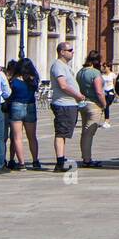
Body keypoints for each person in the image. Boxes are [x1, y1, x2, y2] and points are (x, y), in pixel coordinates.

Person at [49, 42, 86, 171]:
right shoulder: (58, 66)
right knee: (61, 133)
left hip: (69, 104)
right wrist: (78, 95)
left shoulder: (64, 66)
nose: (72, 52)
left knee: (64, 133)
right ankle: (59, 162)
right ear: (61, 52)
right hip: (63, 103)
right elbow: (63, 85)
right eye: (70, 50)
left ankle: (62, 157)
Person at [76, 50, 107, 168]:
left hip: (83, 104)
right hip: (94, 105)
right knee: (89, 133)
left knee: (84, 132)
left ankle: (85, 156)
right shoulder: (95, 73)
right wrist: (104, 104)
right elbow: (99, 91)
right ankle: (87, 160)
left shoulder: (80, 72)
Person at [5, 60, 33, 170]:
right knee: (31, 137)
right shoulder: (31, 80)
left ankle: (19, 162)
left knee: (16, 137)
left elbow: (8, 93)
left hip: (14, 107)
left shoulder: (13, 81)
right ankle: (34, 160)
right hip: (29, 106)